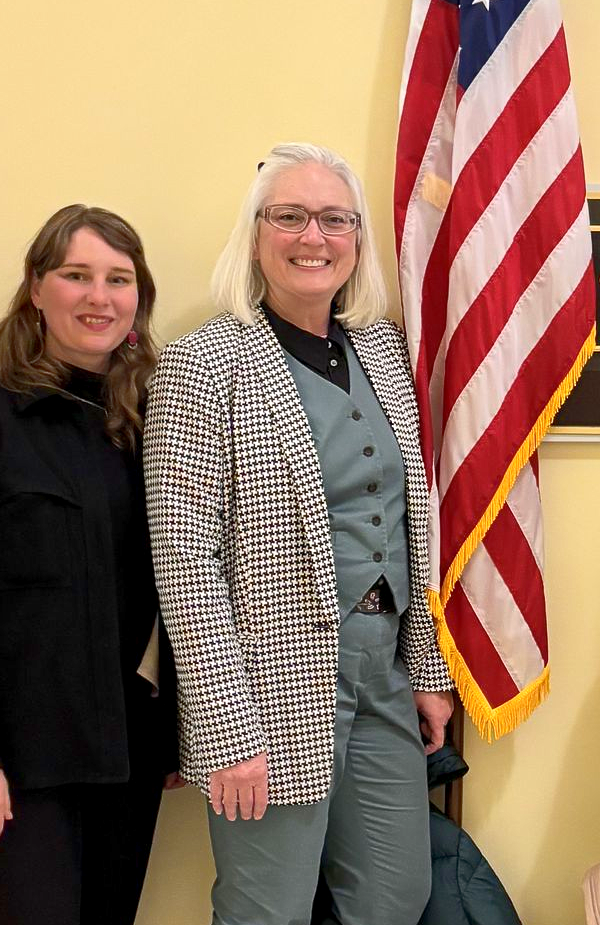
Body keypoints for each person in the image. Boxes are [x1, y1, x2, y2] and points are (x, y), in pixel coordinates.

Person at [144, 141, 454, 925]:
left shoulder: (383, 351)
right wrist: (225, 727)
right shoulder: (202, 365)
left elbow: (414, 518)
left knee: (395, 893)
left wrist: (426, 666)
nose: (312, 236)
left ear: (356, 239)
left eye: (333, 219)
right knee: (265, 908)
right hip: (266, 688)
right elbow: (185, 562)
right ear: (256, 235)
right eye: (290, 216)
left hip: (382, 670)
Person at [0, 205, 178, 925]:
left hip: (127, 757)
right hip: (15, 766)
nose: (98, 296)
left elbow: (180, 584)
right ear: (36, 292)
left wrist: (175, 731)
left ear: (138, 300)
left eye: (118, 279)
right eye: (76, 275)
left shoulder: (155, 426)